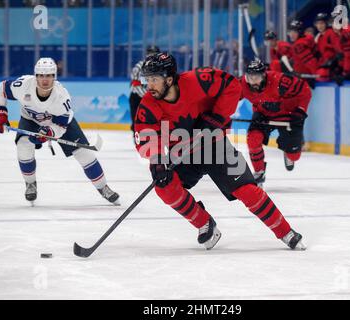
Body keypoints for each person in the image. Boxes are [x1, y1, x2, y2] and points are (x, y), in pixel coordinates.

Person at [134, 53, 306, 251]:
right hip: (182, 153)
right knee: (164, 186)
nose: (150, 85)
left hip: (215, 145)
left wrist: (216, 118)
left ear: (170, 79)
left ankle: (285, 231)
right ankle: (204, 223)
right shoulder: (148, 104)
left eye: (154, 79)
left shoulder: (198, 80)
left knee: (247, 190)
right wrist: (156, 160)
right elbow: (146, 135)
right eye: (147, 80)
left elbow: (232, 85)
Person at [0, 57, 120, 205]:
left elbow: (61, 126)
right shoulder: (23, 85)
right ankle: (30, 183)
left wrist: (49, 133)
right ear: (35, 76)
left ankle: (103, 187)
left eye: (49, 75)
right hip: (30, 120)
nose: (45, 80)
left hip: (59, 124)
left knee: (84, 153)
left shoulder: (61, 97)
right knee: (23, 148)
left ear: (54, 77)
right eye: (41, 75)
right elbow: (1, 89)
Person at [241, 60, 311, 185]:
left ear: (264, 75)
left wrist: (300, 111)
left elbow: (305, 91)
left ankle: (288, 151)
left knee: (294, 156)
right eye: (250, 78)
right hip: (263, 115)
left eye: (256, 78)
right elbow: (228, 96)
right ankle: (259, 172)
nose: (253, 82)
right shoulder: (243, 85)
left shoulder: (281, 81)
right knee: (253, 139)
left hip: (288, 115)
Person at [129, 45, 160, 134]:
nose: (152, 56)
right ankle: (139, 141)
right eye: (150, 54)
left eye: (155, 54)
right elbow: (135, 85)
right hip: (138, 98)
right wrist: (148, 96)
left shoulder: (160, 67)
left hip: (152, 99)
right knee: (136, 122)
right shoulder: (139, 66)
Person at [287, 20, 319, 88]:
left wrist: (315, 77)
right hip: (303, 76)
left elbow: (310, 62)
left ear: (300, 32)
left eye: (294, 32)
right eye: (290, 32)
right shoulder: (306, 39)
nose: (291, 34)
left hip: (304, 78)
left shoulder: (299, 45)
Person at [313, 12, 343, 82]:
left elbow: (339, 52)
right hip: (324, 67)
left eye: (322, 23)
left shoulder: (331, 33)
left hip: (332, 69)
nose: (320, 26)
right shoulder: (319, 37)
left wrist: (339, 67)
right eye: (318, 23)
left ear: (326, 24)